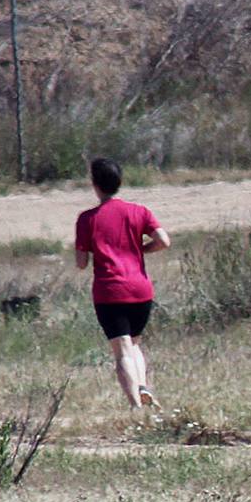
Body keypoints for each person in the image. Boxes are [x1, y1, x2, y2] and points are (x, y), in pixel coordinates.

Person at [75, 158, 170, 409]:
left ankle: (136, 406)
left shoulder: (87, 219)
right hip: (140, 289)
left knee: (122, 351)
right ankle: (142, 386)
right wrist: (141, 250)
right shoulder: (139, 211)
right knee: (135, 343)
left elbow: (81, 263)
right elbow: (164, 241)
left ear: (95, 185)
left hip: (110, 292)